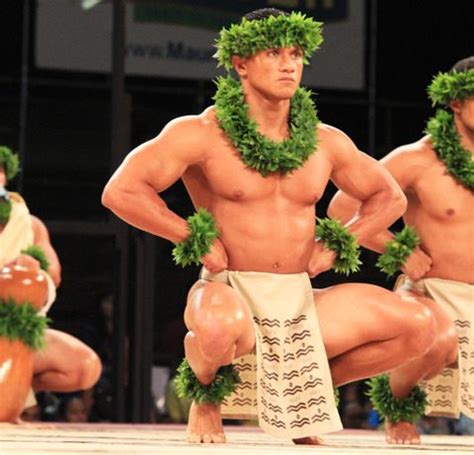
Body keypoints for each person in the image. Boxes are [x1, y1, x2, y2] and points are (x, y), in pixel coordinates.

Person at [102, 9, 437, 444]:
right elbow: (122, 191)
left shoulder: (325, 141)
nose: (288, 64)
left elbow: (388, 197)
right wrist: (189, 235)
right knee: (218, 329)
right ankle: (206, 396)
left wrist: (339, 242)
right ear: (240, 64)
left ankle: (302, 392)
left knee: (418, 325)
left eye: (296, 54)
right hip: (228, 288)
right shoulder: (200, 133)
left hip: (299, 297)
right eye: (274, 53)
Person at [328, 57, 474, 443]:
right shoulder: (418, 160)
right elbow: (342, 207)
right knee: (436, 337)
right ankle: (398, 405)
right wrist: (398, 249)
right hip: (432, 294)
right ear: (456, 102)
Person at [0, 145, 102, 419]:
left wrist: (30, 270)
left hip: (17, 331)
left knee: (85, 366)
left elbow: (53, 274)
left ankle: (17, 383)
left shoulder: (30, 225)